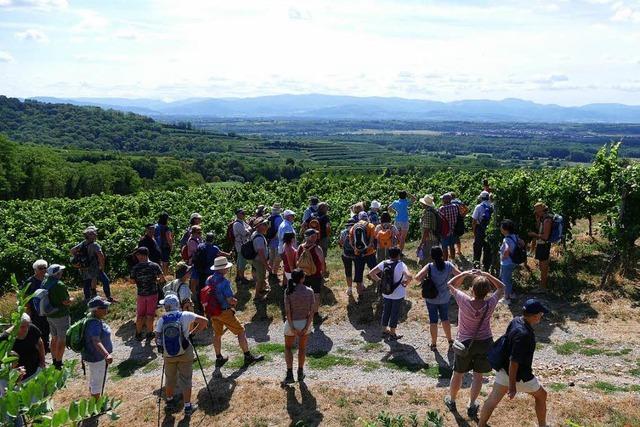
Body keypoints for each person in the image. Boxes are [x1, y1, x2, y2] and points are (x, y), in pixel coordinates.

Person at [478, 299, 550, 427]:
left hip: (503, 369)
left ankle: (481, 424)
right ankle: (543, 425)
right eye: (541, 314)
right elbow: (515, 362)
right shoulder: (524, 335)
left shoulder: (516, 320)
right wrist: (512, 386)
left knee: (493, 400)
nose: (542, 316)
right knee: (541, 396)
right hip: (520, 376)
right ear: (534, 316)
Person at [444, 270, 505, 419]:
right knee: (478, 376)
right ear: (487, 292)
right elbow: (502, 287)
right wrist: (486, 274)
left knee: (458, 373)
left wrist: (465, 274)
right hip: (485, 342)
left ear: (472, 289)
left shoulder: (463, 300)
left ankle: (451, 401)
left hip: (464, 343)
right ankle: (472, 405)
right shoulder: (490, 303)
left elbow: (449, 284)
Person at [204, 257, 265, 368]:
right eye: (226, 267)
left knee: (217, 334)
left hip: (213, 312)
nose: (227, 269)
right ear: (222, 269)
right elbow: (229, 300)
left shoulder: (209, 279)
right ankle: (247, 356)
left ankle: (219, 358)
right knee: (240, 331)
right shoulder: (224, 282)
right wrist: (235, 301)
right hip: (224, 311)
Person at [155, 294, 209, 416]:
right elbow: (204, 322)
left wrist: (162, 347)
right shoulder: (185, 315)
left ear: (167, 306)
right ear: (177, 304)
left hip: (168, 354)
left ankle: (169, 401)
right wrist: (191, 333)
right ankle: (188, 407)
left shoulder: (162, 319)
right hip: (185, 350)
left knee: (170, 378)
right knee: (185, 379)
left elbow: (157, 336)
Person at [415, 247, 461, 351]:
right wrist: (454, 286)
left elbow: (417, 277)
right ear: (442, 254)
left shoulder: (430, 266)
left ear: (432, 256)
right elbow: (460, 275)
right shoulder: (449, 265)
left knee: (433, 320)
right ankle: (450, 341)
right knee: (445, 318)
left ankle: (434, 344)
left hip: (431, 298)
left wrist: (425, 279)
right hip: (445, 297)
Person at [368, 248, 412, 341]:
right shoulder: (401, 264)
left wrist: (380, 281)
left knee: (386, 311)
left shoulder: (384, 263)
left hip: (386, 293)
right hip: (398, 294)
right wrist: (405, 283)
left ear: (389, 255)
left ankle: (384, 330)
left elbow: (371, 273)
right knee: (394, 313)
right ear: (399, 255)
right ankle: (392, 333)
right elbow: (409, 276)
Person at [282, 269, 314, 384]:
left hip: (292, 324)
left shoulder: (288, 291)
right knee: (302, 348)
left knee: (288, 348)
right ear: (302, 278)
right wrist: (306, 327)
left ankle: (289, 374)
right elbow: (311, 312)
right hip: (305, 323)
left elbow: (287, 311)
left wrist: (292, 327)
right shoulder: (310, 291)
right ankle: (300, 373)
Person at [130, 247, 165, 341]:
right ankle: (150, 333)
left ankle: (138, 333)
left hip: (141, 294)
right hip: (152, 294)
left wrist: (140, 281)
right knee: (150, 314)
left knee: (140, 315)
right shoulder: (154, 265)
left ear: (141, 255)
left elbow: (132, 281)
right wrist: (155, 281)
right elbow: (162, 279)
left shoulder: (135, 267)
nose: (137, 257)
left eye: (137, 255)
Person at [82, 296, 113, 399]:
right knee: (97, 381)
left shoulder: (92, 319)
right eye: (104, 307)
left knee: (94, 378)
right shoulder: (94, 323)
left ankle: (94, 400)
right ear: (97, 310)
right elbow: (96, 341)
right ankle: (97, 405)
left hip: (94, 356)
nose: (106, 309)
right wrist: (106, 354)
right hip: (97, 357)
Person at [70, 226, 112, 303]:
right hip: (94, 267)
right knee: (105, 281)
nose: (95, 234)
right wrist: (102, 267)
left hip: (84, 267)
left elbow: (72, 250)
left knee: (87, 282)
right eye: (93, 233)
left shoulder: (83, 243)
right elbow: (101, 256)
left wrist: (79, 260)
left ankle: (87, 299)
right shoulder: (95, 245)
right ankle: (108, 297)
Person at [0, 313, 45, 381]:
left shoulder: (32, 329)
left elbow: (40, 343)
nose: (26, 329)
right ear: (15, 325)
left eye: (27, 325)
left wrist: (42, 362)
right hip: (15, 379)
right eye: (22, 327)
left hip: (34, 370)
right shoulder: (5, 338)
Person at [44, 264, 72, 370]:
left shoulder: (45, 282)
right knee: (62, 339)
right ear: (57, 273)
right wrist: (72, 300)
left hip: (50, 315)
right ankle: (58, 363)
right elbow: (66, 302)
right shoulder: (59, 285)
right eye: (61, 271)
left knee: (54, 338)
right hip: (61, 315)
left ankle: (54, 359)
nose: (62, 273)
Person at [297, 229, 326, 322]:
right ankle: (315, 315)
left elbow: (297, 261)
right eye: (315, 235)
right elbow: (322, 262)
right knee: (316, 294)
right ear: (310, 237)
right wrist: (323, 272)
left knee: (304, 294)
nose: (316, 237)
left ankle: (304, 314)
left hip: (303, 275)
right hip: (315, 274)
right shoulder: (317, 248)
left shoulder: (300, 247)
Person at [24, 259, 50, 353]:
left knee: (47, 327)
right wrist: (28, 310)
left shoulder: (48, 279)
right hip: (35, 309)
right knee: (38, 328)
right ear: (35, 269)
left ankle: (46, 346)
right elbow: (25, 296)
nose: (43, 270)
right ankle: (38, 346)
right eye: (40, 268)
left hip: (46, 307)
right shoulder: (30, 281)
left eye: (45, 268)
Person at [350, 212, 378, 296]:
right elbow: (372, 240)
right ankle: (380, 289)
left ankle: (360, 294)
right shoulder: (371, 226)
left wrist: (357, 249)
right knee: (375, 270)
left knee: (358, 273)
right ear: (367, 217)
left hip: (358, 254)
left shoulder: (353, 227)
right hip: (369, 253)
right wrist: (366, 248)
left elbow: (351, 242)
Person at [528, 202, 553, 290]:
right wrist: (538, 221)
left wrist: (534, 234)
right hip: (541, 244)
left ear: (541, 211)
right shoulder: (543, 218)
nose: (536, 213)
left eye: (537, 211)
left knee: (544, 266)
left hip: (544, 245)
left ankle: (543, 287)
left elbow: (545, 237)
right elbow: (540, 229)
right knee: (542, 266)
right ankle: (542, 285)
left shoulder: (547, 220)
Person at [500, 219, 522, 304]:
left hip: (507, 263)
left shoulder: (506, 239)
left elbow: (506, 250)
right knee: (509, 279)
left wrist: (503, 257)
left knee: (505, 280)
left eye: (501, 227)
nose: (500, 228)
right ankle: (512, 294)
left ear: (505, 229)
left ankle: (506, 298)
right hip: (514, 261)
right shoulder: (515, 236)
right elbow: (522, 243)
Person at [250, 217, 272, 299]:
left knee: (261, 277)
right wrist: (267, 265)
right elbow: (261, 254)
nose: (267, 226)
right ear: (259, 227)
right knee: (261, 278)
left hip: (257, 260)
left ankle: (261, 290)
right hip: (259, 261)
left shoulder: (256, 234)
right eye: (264, 224)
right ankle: (257, 295)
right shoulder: (259, 238)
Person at [472, 191, 493, 271]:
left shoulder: (478, 207)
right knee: (487, 249)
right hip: (489, 230)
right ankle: (486, 267)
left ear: (481, 198)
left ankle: (476, 266)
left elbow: (474, 221)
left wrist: (474, 232)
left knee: (477, 248)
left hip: (479, 229)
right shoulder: (492, 206)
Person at [418, 194, 439, 266]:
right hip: (434, 238)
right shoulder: (433, 211)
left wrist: (421, 243)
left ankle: (427, 274)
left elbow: (426, 230)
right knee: (433, 258)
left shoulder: (427, 214)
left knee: (427, 259)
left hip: (429, 239)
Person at [232, 209, 252, 283]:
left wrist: (248, 230)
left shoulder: (242, 222)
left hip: (242, 244)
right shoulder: (237, 224)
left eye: (244, 213)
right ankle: (241, 278)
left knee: (240, 261)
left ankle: (238, 277)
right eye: (242, 213)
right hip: (240, 245)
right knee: (242, 262)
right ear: (237, 214)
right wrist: (248, 230)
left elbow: (249, 228)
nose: (244, 215)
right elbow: (245, 233)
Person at [339, 218, 357, 297]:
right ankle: (360, 284)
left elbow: (341, 244)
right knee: (358, 270)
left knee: (348, 271)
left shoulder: (343, 232)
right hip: (356, 254)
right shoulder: (357, 231)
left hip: (346, 254)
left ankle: (349, 288)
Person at [439, 193, 460, 261]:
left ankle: (445, 262)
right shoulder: (455, 206)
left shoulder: (442, 208)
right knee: (452, 246)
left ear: (445, 200)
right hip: (453, 230)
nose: (442, 200)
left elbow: (439, 220)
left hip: (445, 231)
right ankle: (453, 261)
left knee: (444, 248)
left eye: (443, 199)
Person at [267, 204, 284, 279]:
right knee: (278, 258)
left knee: (271, 258)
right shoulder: (279, 218)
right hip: (277, 241)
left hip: (271, 241)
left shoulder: (269, 217)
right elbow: (280, 230)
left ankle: (270, 272)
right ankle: (274, 273)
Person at [185, 225, 202, 296]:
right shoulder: (191, 241)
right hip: (193, 263)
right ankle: (193, 295)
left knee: (197, 279)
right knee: (193, 280)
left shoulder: (197, 239)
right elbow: (199, 250)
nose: (200, 234)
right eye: (199, 232)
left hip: (197, 262)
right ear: (194, 233)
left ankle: (196, 294)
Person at [450, 192, 468, 257]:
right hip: (459, 219)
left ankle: (453, 253)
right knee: (457, 236)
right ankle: (459, 251)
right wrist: (462, 215)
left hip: (452, 220)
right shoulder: (459, 202)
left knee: (452, 236)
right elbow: (466, 209)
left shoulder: (450, 203)